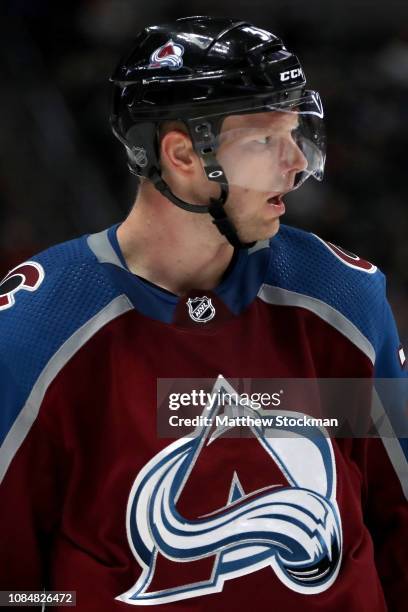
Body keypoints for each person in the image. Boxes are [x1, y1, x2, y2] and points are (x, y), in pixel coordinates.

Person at [0, 16, 406, 612]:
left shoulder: (339, 297)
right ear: (184, 154)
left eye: (296, 133)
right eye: (266, 140)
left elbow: (399, 519)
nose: (295, 163)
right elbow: (14, 587)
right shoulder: (39, 328)